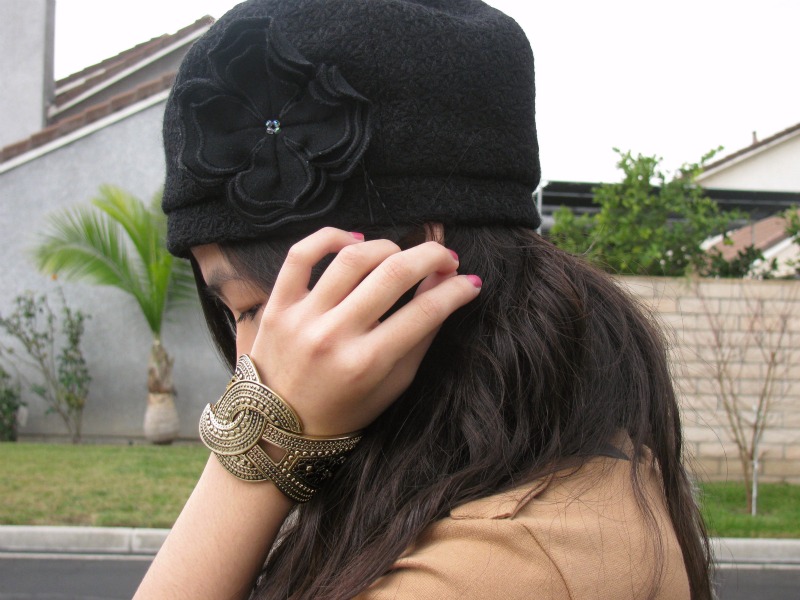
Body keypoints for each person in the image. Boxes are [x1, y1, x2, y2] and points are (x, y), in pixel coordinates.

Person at [136, 1, 712, 598]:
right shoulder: (548, 485)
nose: (247, 368)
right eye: (236, 315)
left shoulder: (482, 574)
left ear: (415, 262)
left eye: (250, 307)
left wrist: (260, 449)